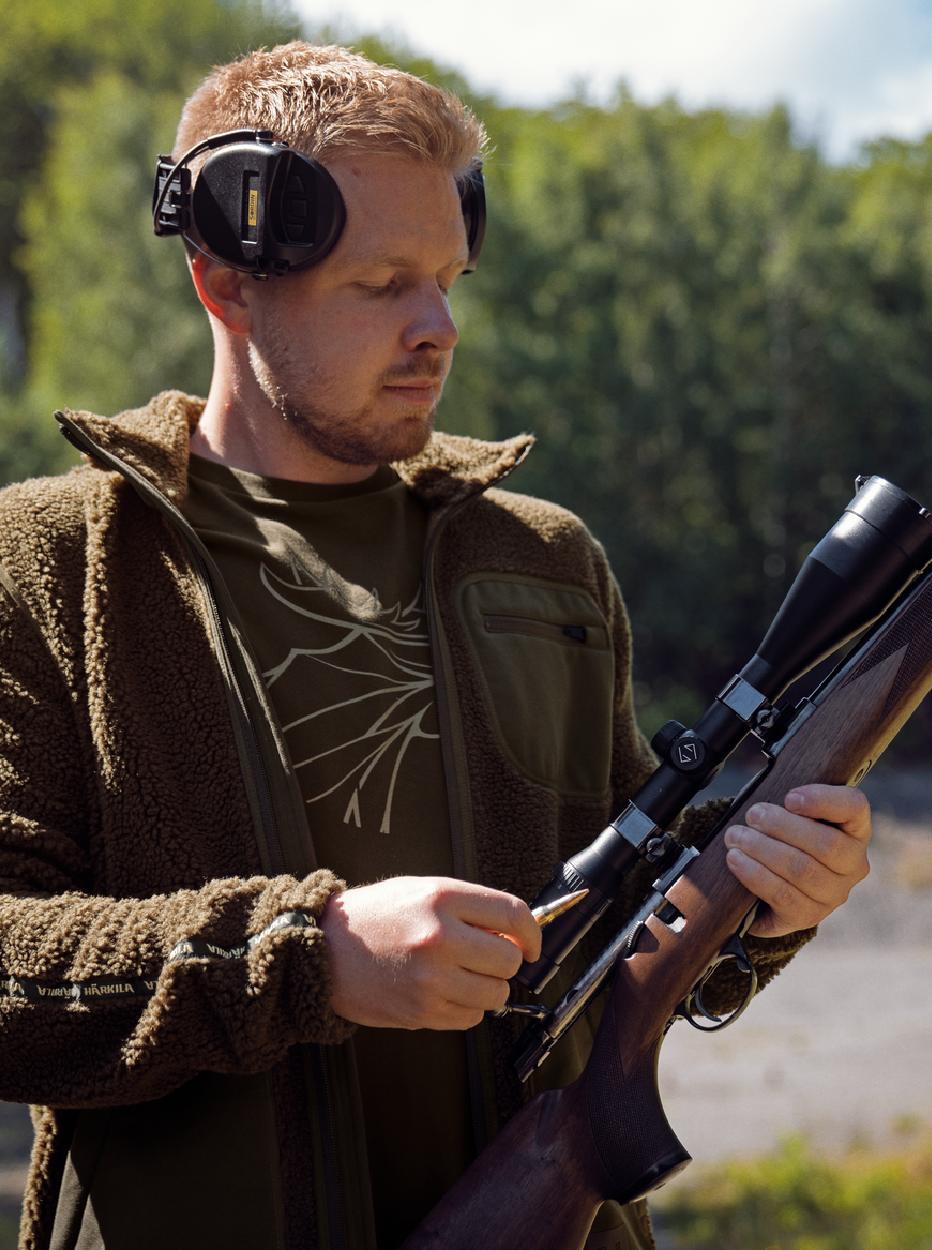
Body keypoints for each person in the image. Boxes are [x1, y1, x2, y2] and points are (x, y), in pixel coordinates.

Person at [0, 41, 872, 1250]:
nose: (438, 327)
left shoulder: (544, 560)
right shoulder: (52, 561)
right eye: (381, 284)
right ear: (222, 277)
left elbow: (631, 953)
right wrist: (310, 955)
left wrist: (766, 907)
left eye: (449, 278)